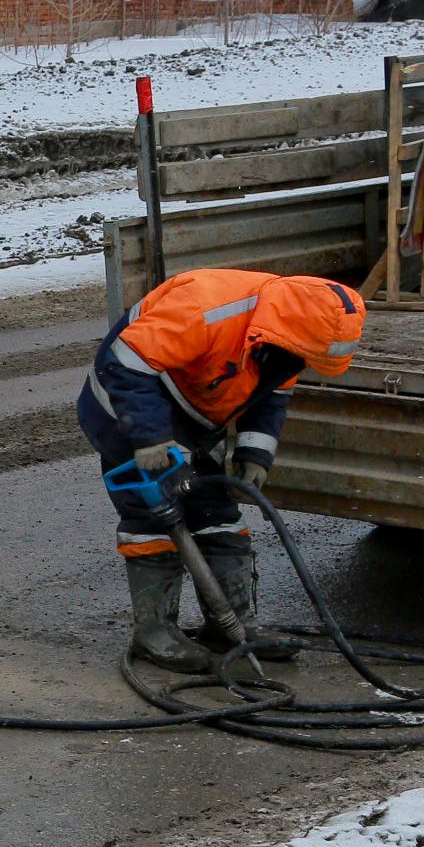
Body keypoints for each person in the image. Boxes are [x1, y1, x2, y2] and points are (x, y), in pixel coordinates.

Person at [79, 269, 366, 674]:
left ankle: (231, 626)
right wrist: (150, 439)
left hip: (187, 418)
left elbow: (271, 394)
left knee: (218, 518)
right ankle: (154, 632)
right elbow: (124, 367)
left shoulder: (289, 339)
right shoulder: (205, 308)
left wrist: (255, 453)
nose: (305, 365)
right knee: (153, 517)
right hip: (126, 409)